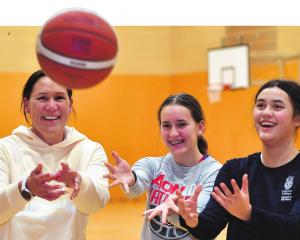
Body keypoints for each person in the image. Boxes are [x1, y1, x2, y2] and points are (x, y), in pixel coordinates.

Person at [148, 79, 300, 240]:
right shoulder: (235, 170)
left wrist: (249, 214)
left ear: (297, 118)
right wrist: (191, 220)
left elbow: (294, 228)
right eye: (260, 105)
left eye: (277, 106)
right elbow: (209, 229)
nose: (266, 112)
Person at [0, 70, 110, 240]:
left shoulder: (90, 150)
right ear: (27, 104)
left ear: (70, 104)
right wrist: (25, 189)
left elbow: (96, 204)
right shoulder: (5, 149)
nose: (51, 106)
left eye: (59, 98)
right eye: (42, 98)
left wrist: (80, 183)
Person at [104, 93, 222, 240]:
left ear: (200, 127)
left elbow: (201, 217)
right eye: (166, 125)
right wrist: (132, 180)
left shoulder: (214, 172)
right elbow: (134, 190)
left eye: (181, 124)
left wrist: (174, 207)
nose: (173, 133)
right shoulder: (151, 164)